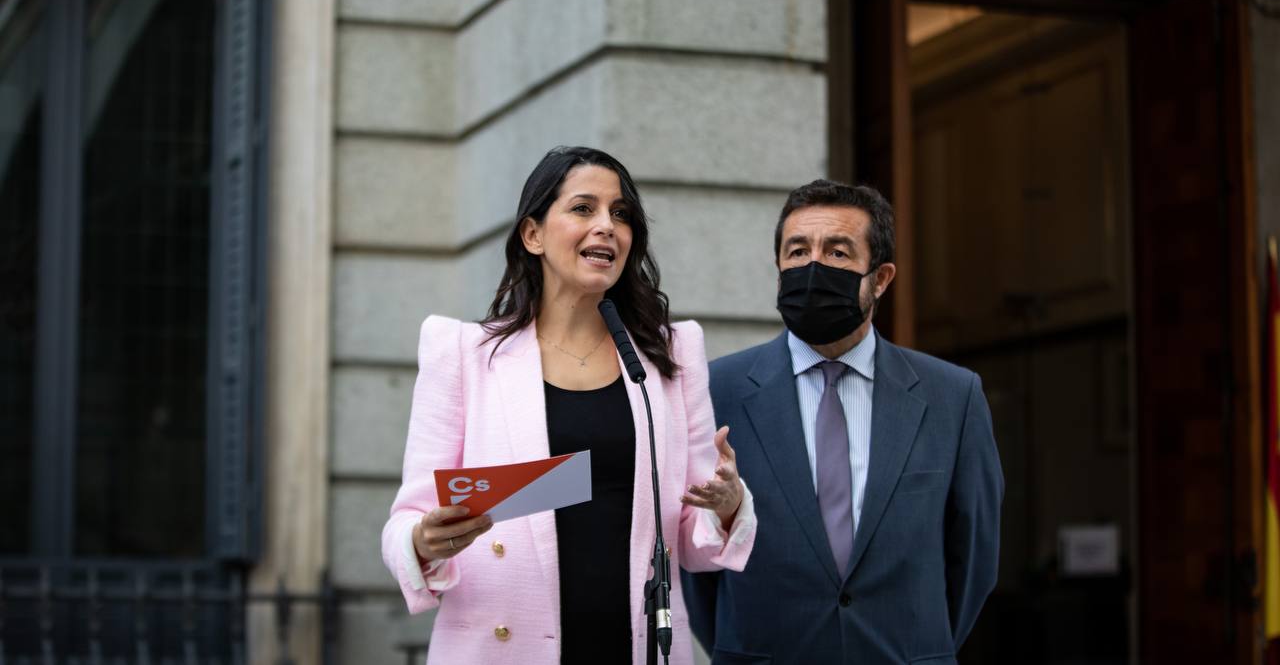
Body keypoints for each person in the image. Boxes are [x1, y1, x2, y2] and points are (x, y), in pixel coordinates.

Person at [382, 146, 756, 665]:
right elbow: (406, 521)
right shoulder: (462, 355)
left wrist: (728, 502)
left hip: (639, 646)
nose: (606, 225)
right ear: (532, 234)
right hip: (500, 647)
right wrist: (425, 539)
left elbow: (693, 543)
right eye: (583, 208)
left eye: (620, 214)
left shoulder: (670, 356)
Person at [682, 180, 1002, 665]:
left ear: (881, 278)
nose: (813, 268)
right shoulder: (715, 390)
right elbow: (695, 560)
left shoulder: (952, 398)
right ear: (778, 269)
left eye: (837, 253)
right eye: (797, 251)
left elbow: (972, 558)